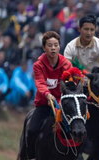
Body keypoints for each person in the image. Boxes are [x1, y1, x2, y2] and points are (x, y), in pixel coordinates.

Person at [26, 31, 72, 159]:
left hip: (62, 105)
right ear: (44, 48)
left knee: (77, 128)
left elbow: (69, 84)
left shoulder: (67, 65)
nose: (53, 48)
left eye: (56, 45)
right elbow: (40, 83)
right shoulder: (38, 65)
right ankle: (32, 156)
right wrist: (47, 94)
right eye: (50, 45)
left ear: (59, 47)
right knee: (32, 131)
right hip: (44, 104)